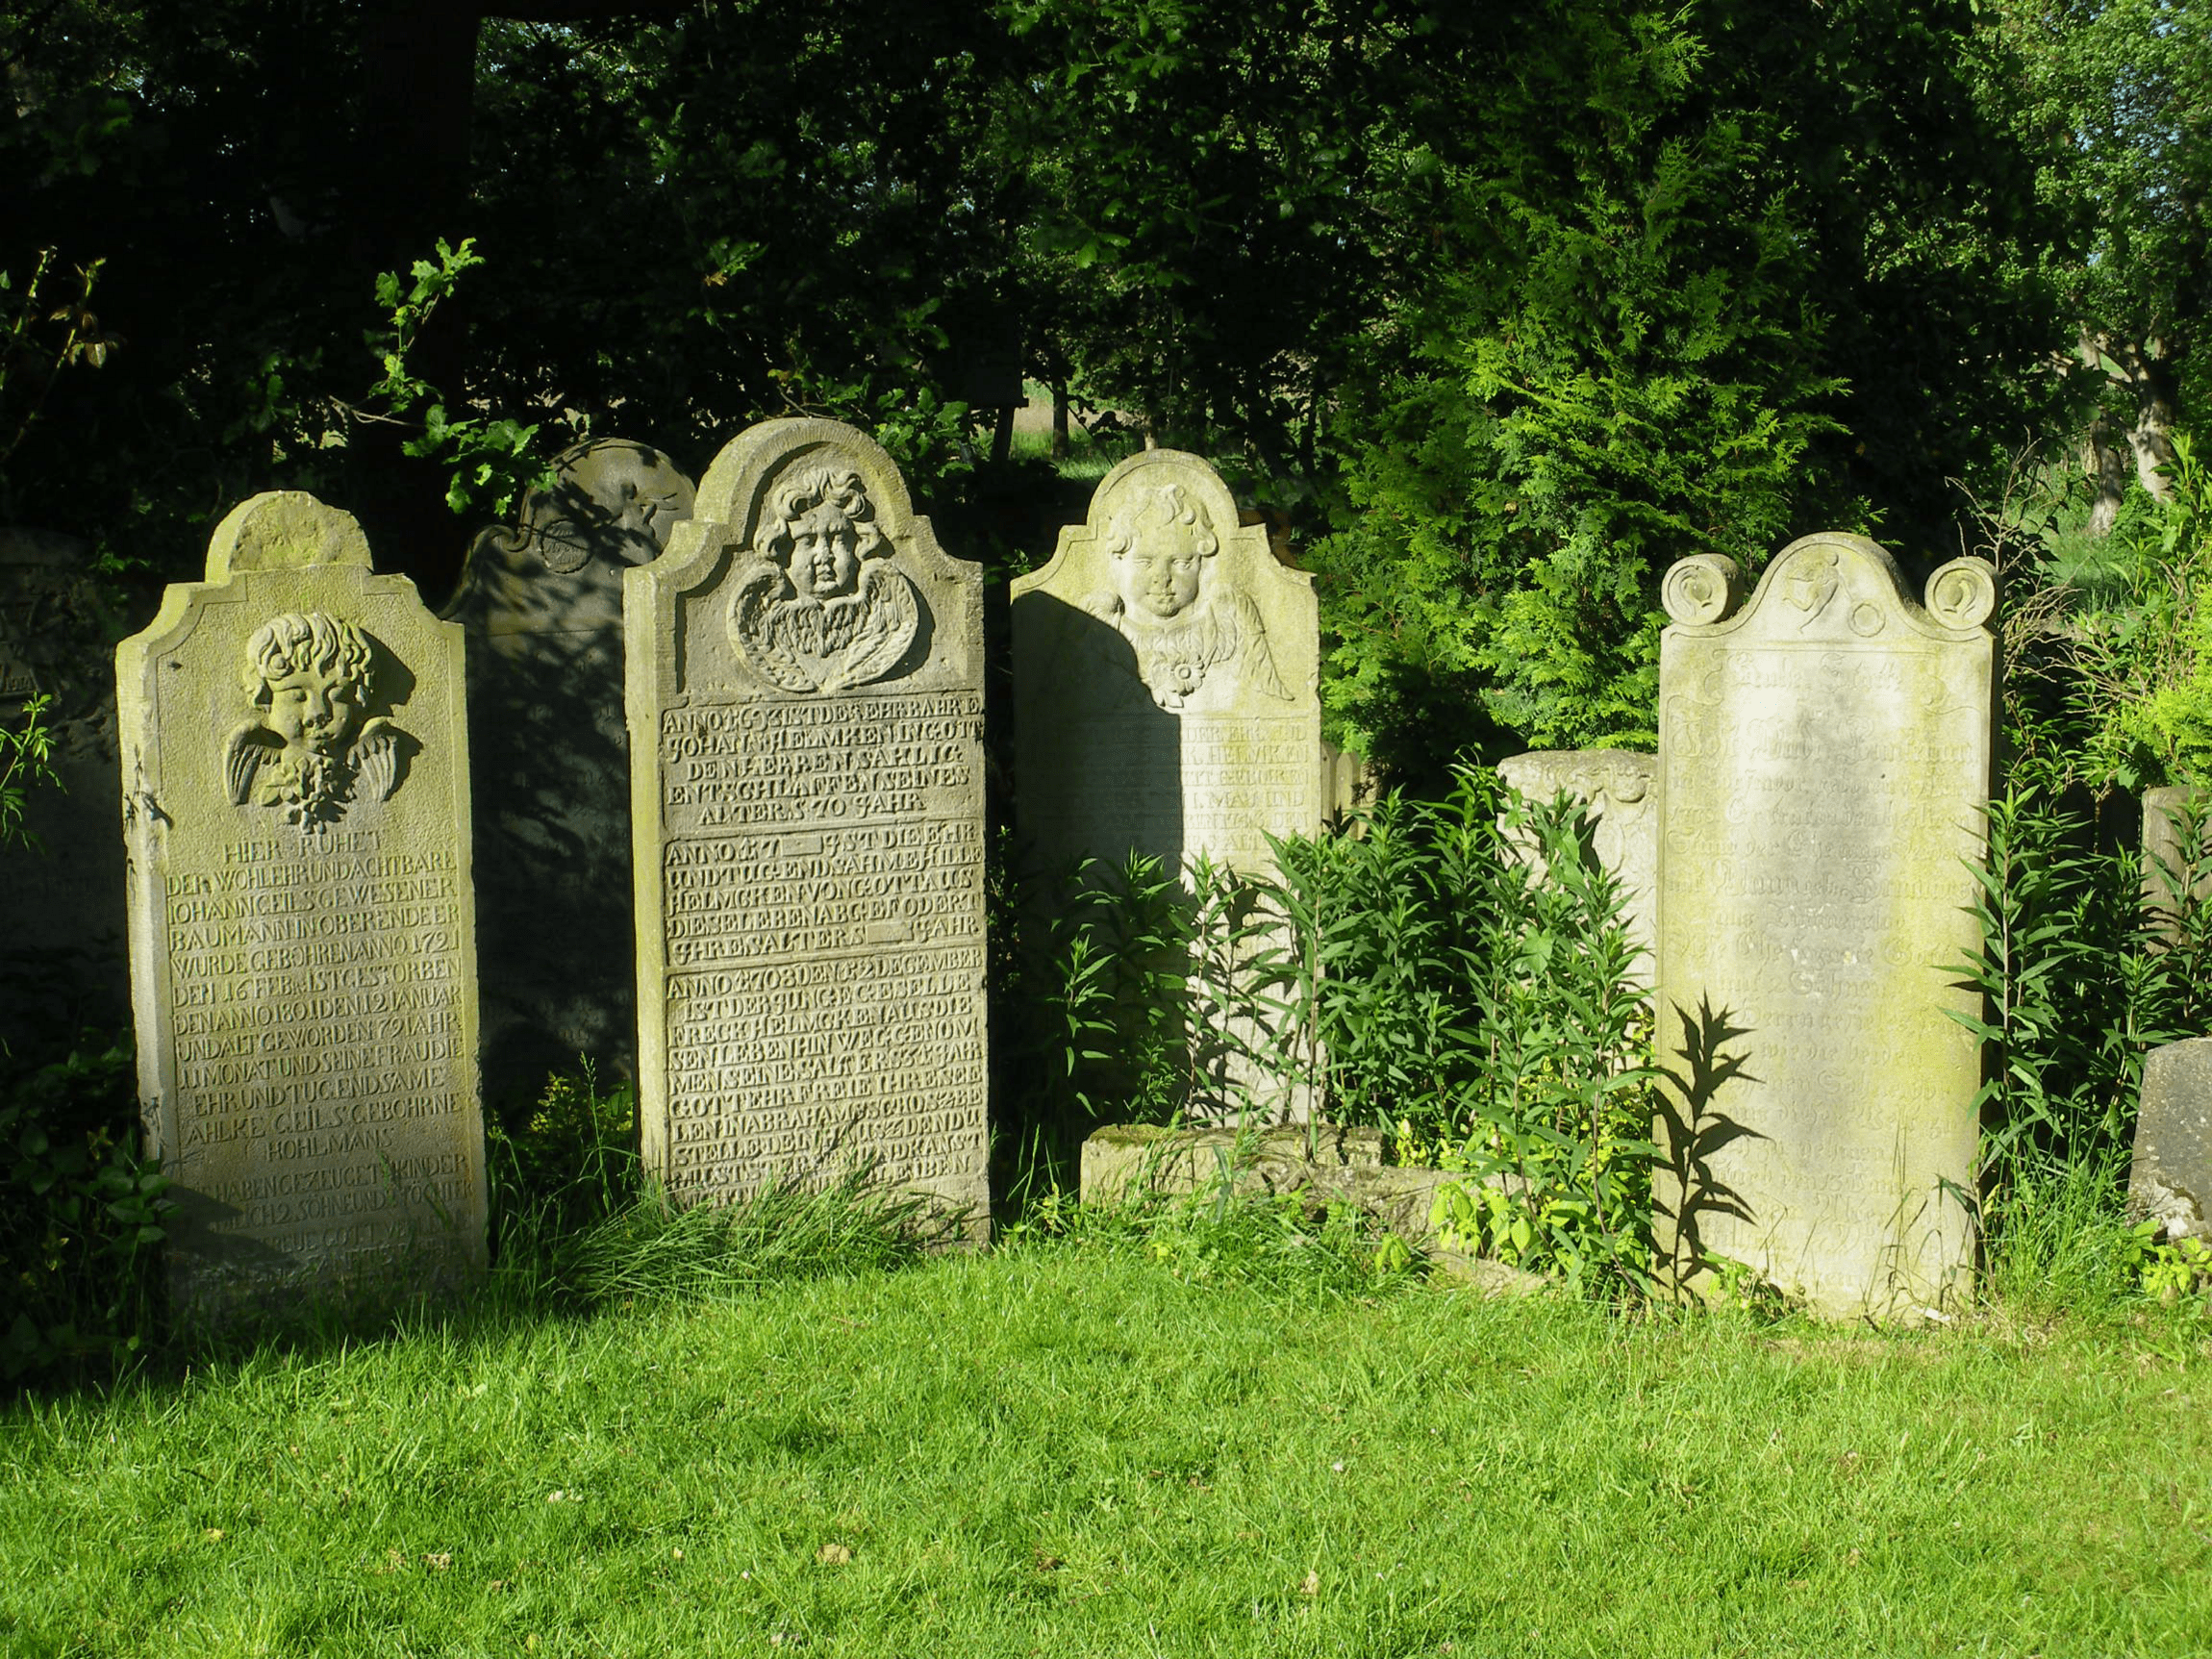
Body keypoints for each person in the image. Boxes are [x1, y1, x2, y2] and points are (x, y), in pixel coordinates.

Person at [1081, 480, 1287, 711]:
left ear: (1201, 561)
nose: (1163, 577)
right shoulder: (1101, 626)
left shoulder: (1222, 624)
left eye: (1180, 562)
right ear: (1119, 560)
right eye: (1144, 562)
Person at [225, 611, 403, 824]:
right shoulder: (255, 738)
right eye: (296, 696)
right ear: (265, 698)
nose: (318, 713)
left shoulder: (370, 733)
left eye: (337, 695)